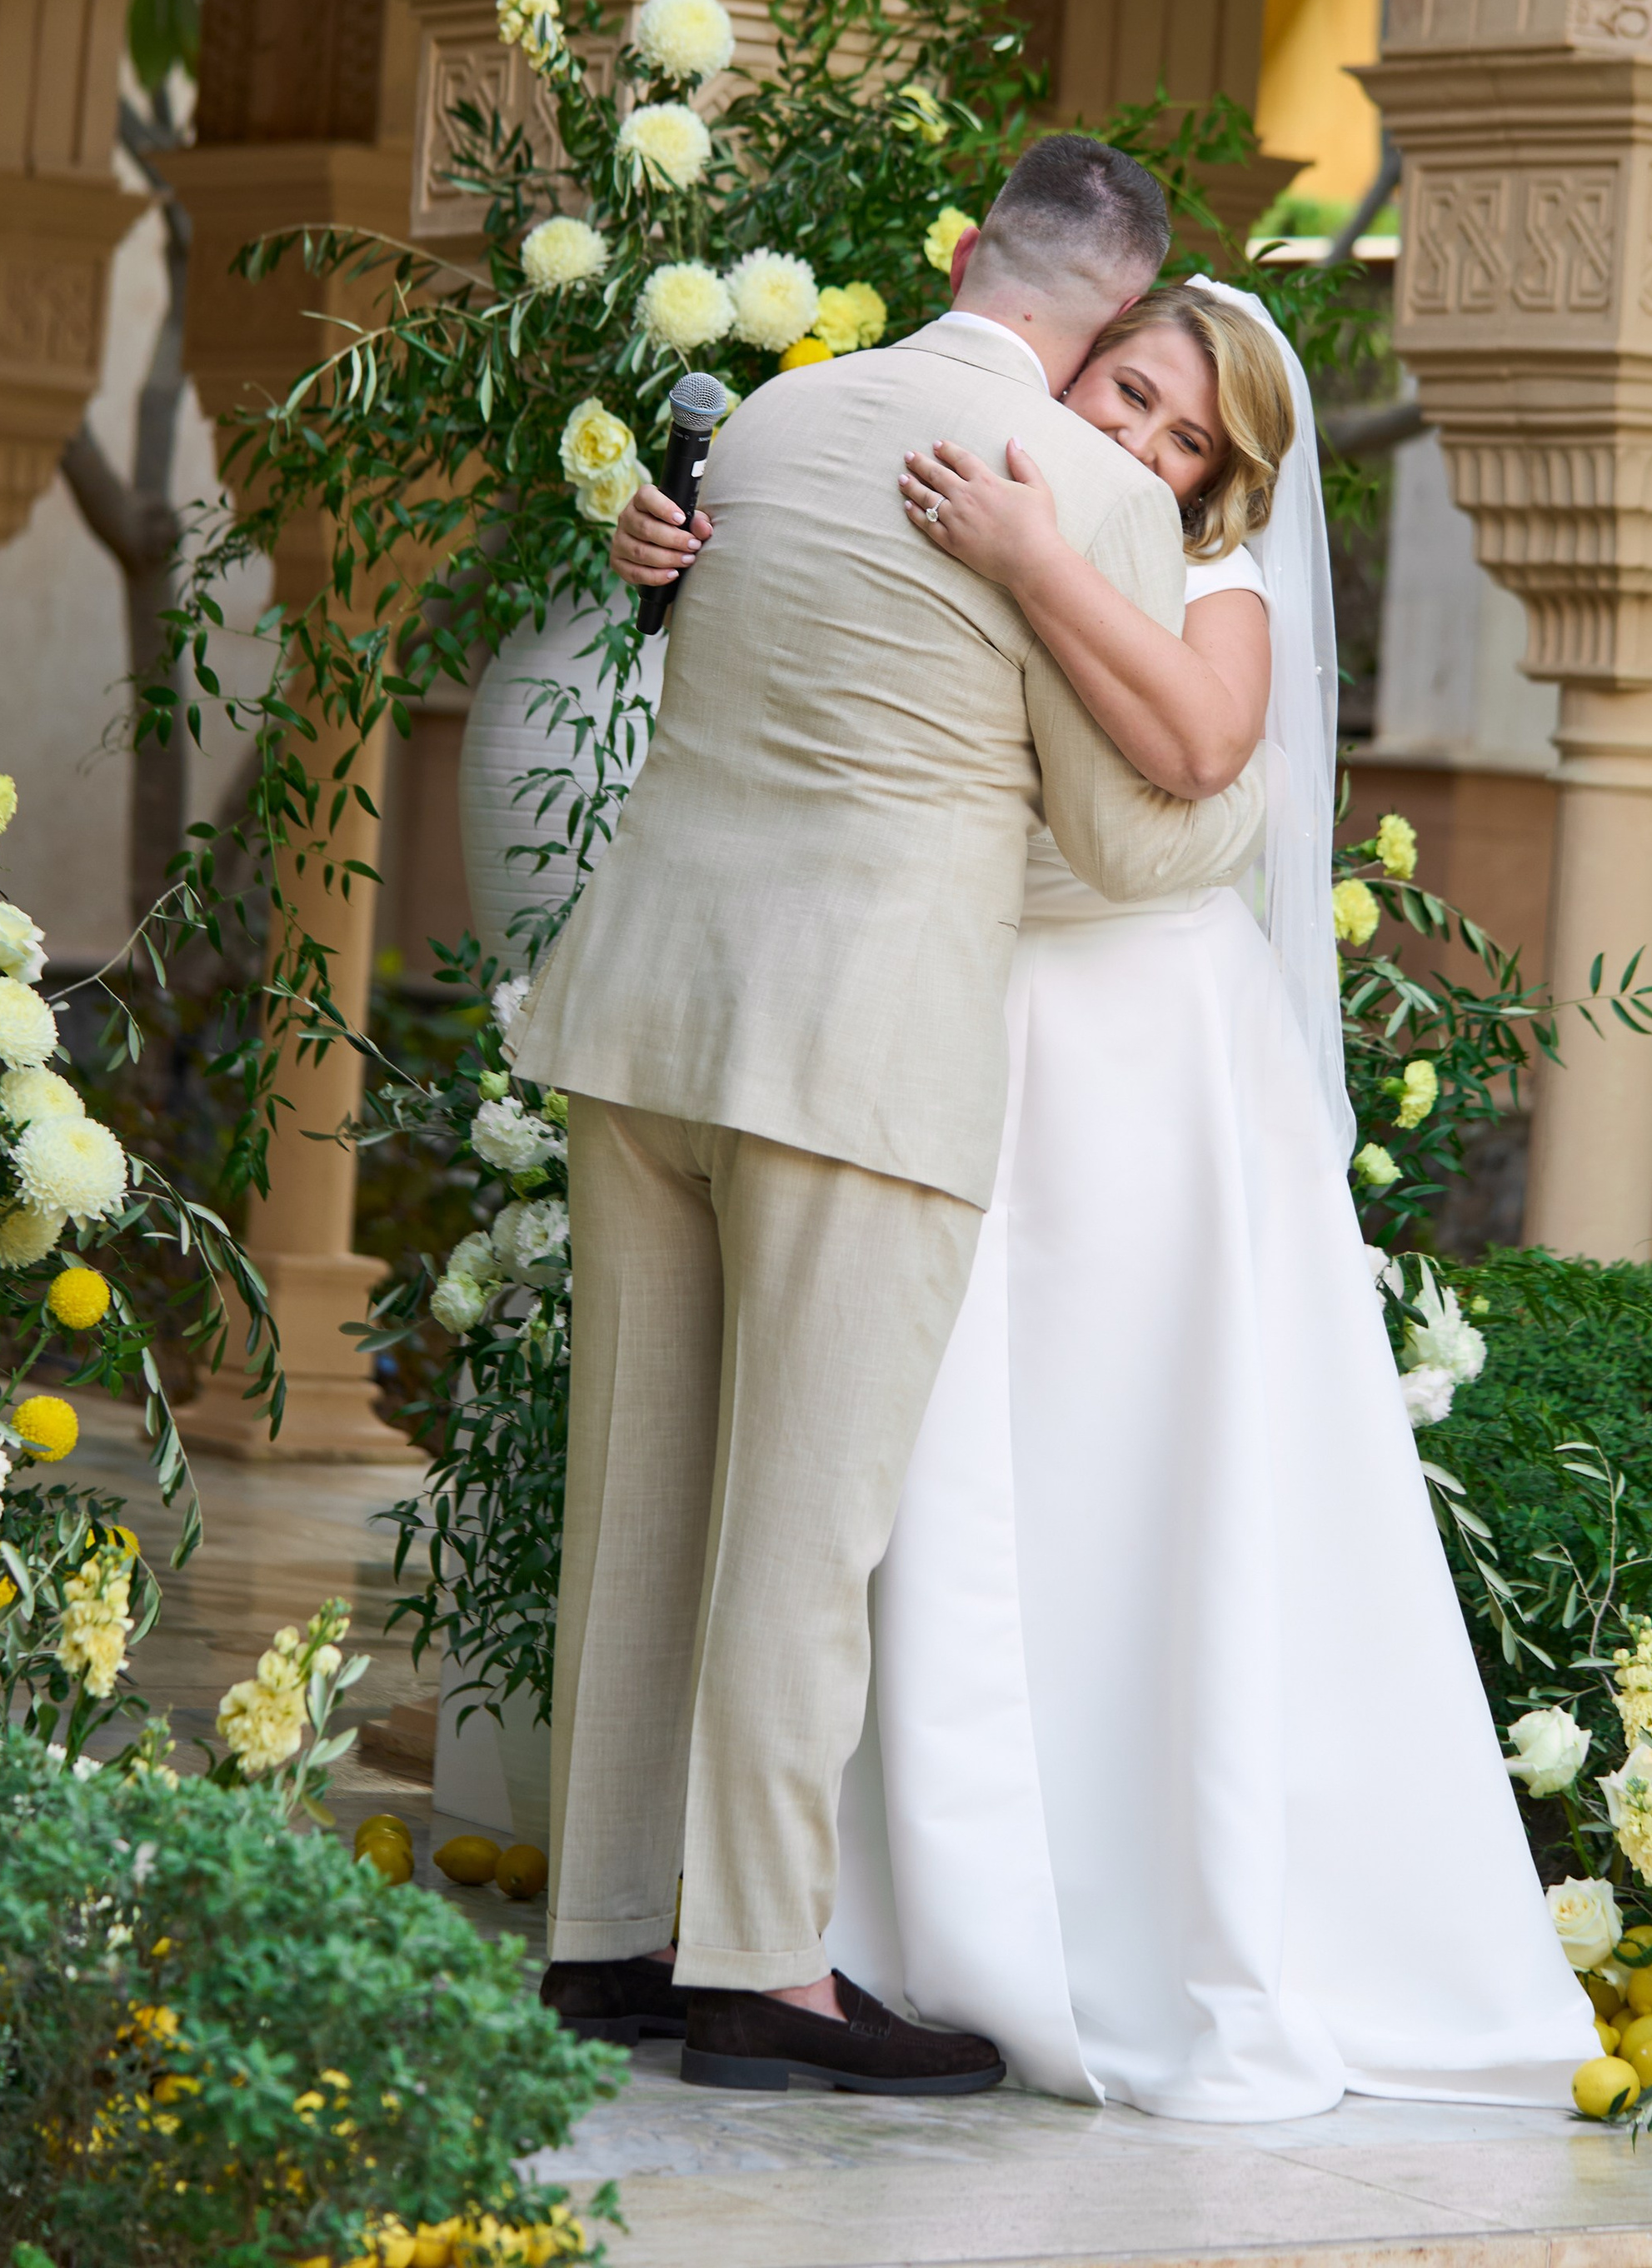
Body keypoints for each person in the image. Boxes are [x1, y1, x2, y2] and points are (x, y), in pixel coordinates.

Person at [616, 276, 1595, 2121]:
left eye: (1180, 437)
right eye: (1128, 394)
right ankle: (841, 1907)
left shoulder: (1181, 572)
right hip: (945, 1014)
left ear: (1223, 480)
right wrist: (666, 554)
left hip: (1139, 1065)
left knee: (1115, 1468)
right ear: (1070, 363)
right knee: (910, 1481)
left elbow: (1196, 751)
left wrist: (1034, 545)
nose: (1142, 443)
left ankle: (1114, 1908)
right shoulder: (967, 490)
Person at [509, 137, 1268, 2097]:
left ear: (963, 253)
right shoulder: (1086, 494)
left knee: (639, 1471)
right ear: (1111, 314)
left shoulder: (759, 418)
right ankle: (760, 1967)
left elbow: (703, 651)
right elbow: (1122, 828)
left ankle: (603, 1937)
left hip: (642, 1002)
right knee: (804, 1521)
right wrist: (1242, 816)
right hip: (856, 1046)